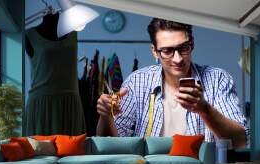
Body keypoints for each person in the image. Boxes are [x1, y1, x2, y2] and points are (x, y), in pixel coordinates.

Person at [96, 18, 248, 148]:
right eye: (168, 51)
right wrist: (106, 116)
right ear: (155, 51)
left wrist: (204, 109)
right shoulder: (137, 82)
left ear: (192, 45)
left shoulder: (217, 79)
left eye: (183, 48)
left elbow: (240, 141)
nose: (178, 59)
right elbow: (112, 144)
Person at [25, 11, 86, 136]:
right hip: (42, 104)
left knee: (73, 150)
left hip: (70, 103)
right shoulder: (29, 35)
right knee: (40, 152)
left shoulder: (73, 33)